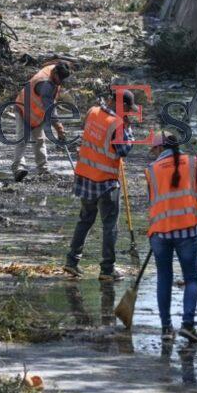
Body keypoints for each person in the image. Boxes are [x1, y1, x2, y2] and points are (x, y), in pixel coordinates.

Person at [145, 134, 197, 343]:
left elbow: (151, 201)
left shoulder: (151, 170)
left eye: (153, 150)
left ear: (160, 149)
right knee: (191, 279)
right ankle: (187, 325)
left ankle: (166, 328)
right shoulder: (193, 163)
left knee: (164, 278)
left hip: (160, 232)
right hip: (187, 230)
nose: (152, 154)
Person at [63, 90, 137, 282]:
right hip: (105, 182)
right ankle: (107, 269)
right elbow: (124, 150)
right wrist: (129, 131)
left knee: (85, 220)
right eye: (128, 108)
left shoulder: (93, 111)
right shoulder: (119, 125)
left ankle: (72, 261)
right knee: (110, 226)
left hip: (85, 176)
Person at [11, 61, 71, 181]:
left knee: (39, 141)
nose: (60, 83)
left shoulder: (55, 70)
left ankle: (43, 170)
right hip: (23, 109)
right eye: (60, 79)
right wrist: (58, 127)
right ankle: (18, 169)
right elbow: (50, 109)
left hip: (37, 114)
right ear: (55, 73)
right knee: (22, 139)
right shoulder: (45, 85)